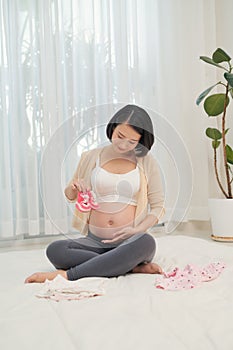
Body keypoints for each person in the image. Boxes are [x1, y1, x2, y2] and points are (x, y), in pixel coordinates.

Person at [25, 105, 165, 283]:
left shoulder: (147, 162)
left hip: (129, 243)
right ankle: (129, 266)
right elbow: (70, 194)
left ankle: (68, 275)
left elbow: (158, 206)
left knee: (146, 242)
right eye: (120, 136)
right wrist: (74, 188)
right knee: (55, 250)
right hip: (94, 244)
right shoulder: (91, 156)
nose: (123, 145)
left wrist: (137, 229)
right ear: (112, 127)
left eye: (131, 142)